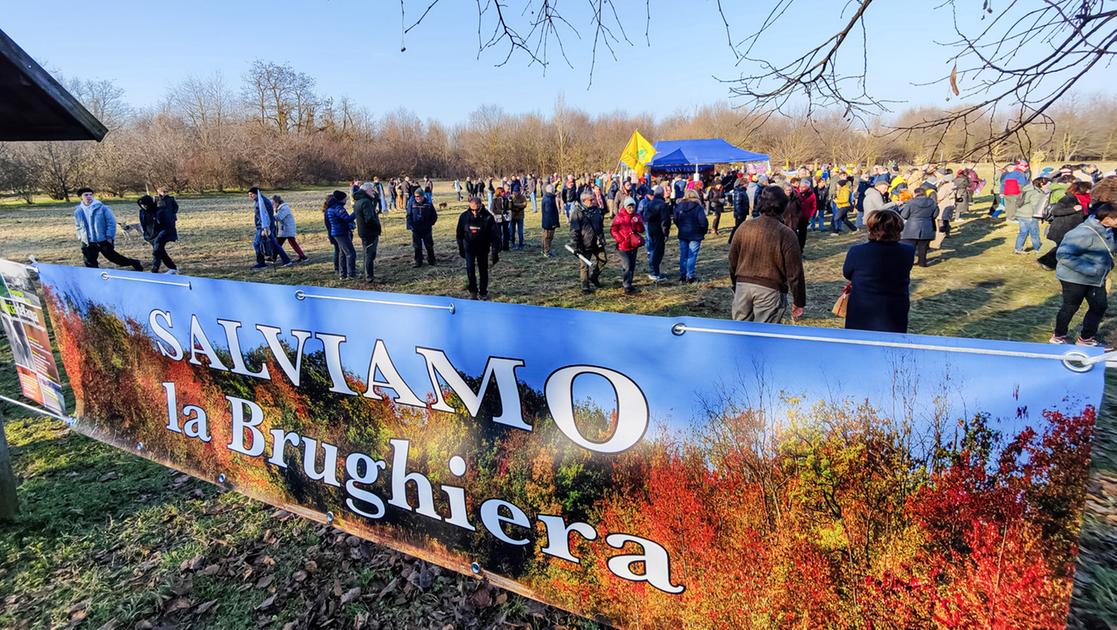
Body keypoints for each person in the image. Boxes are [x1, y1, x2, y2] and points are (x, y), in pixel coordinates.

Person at [727, 185, 805, 323]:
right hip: (768, 291)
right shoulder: (786, 233)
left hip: (744, 287)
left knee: (741, 334)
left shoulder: (744, 227)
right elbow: (795, 273)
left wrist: (736, 284)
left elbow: (732, 260)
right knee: (762, 338)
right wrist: (799, 301)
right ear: (784, 207)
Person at [1051, 202, 1117, 346]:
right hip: (1074, 278)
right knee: (1071, 306)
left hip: (1096, 278)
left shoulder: (1108, 230)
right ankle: (1059, 336)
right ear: (1107, 218)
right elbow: (1063, 255)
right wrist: (1091, 269)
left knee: (1099, 306)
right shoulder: (1083, 233)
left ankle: (1086, 339)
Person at [842, 210, 915, 333]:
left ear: (871, 228)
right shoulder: (908, 251)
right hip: (895, 306)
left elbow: (847, 273)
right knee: (890, 344)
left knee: (859, 342)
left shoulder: (857, 251)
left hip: (863, 306)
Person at [1037, 181, 1088, 271]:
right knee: (1059, 246)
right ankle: (1046, 262)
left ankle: (1066, 264)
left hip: (1074, 227)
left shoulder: (1084, 199)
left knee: (1069, 247)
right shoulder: (1067, 199)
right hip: (1062, 227)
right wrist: (1073, 209)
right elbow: (1055, 212)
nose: (1088, 191)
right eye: (1087, 189)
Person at [457, 197, 500, 300]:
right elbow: (459, 234)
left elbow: (494, 236)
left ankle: (483, 292)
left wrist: (495, 252)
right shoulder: (464, 217)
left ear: (481, 205)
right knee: (470, 269)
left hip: (483, 248)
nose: (475, 212)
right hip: (469, 248)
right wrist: (461, 248)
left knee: (483, 270)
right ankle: (473, 291)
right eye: (472, 210)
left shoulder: (488, 217)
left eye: (477, 209)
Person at [569, 190, 607, 293]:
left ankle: (594, 277)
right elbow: (574, 231)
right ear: (584, 200)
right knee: (584, 266)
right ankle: (585, 286)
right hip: (584, 244)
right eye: (591, 199)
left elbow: (600, 226)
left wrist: (602, 238)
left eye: (594, 199)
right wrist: (576, 245)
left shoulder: (597, 211)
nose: (594, 201)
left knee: (603, 260)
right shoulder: (577, 212)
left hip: (597, 242)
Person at [248, 187, 293, 269]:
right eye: (249, 195)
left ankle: (261, 263)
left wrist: (264, 228)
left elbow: (265, 216)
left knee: (257, 244)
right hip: (267, 226)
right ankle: (286, 260)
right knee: (275, 244)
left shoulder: (261, 202)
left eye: (251, 194)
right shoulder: (261, 200)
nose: (250, 196)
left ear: (256, 193)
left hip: (264, 227)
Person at [610, 196, 645, 294]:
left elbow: (641, 230)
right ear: (625, 207)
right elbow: (613, 230)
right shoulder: (619, 217)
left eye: (633, 207)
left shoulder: (637, 216)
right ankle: (626, 285)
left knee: (632, 265)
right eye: (629, 207)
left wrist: (638, 223)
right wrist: (620, 239)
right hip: (623, 246)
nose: (631, 209)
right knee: (627, 265)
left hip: (633, 244)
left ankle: (629, 283)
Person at [137, 195, 178, 274]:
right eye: (142, 205)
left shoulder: (160, 211)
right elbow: (143, 225)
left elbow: (168, 224)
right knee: (161, 251)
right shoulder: (142, 212)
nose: (144, 207)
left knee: (156, 251)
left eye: (145, 205)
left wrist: (160, 236)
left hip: (163, 232)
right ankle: (173, 268)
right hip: (151, 235)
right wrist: (146, 235)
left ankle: (154, 270)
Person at [899, 186, 939, 267]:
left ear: (915, 193)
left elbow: (904, 215)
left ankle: (909, 262)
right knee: (923, 247)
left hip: (912, 227)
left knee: (910, 247)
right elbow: (935, 214)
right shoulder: (932, 202)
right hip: (927, 226)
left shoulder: (911, 202)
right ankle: (922, 262)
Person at [674, 188, 708, 283]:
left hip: (683, 233)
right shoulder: (698, 208)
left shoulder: (679, 206)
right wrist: (703, 231)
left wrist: (680, 227)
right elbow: (703, 222)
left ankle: (683, 275)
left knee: (683, 255)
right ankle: (690, 276)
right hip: (695, 234)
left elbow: (676, 219)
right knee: (692, 255)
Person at [353, 182, 383, 282]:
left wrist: (374, 199)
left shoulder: (359, 200)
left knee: (367, 253)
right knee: (370, 254)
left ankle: (368, 274)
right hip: (369, 232)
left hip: (364, 232)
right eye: (372, 190)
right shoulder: (365, 202)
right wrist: (377, 226)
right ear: (367, 190)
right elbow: (369, 219)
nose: (373, 192)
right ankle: (369, 276)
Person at [1014, 176, 1051, 255]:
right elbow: (1036, 206)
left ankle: (1018, 249)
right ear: (1041, 184)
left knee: (1022, 232)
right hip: (1029, 215)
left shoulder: (1027, 188)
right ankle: (1038, 249)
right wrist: (1041, 216)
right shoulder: (1035, 193)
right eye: (1047, 184)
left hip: (1021, 213)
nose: (1048, 186)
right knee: (1034, 233)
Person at [324, 191, 357, 279]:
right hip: (341, 232)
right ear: (341, 199)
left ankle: (343, 274)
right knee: (351, 253)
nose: (346, 199)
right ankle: (351, 274)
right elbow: (347, 219)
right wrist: (356, 212)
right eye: (345, 198)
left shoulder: (331, 207)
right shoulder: (338, 208)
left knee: (342, 253)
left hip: (337, 232)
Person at [406, 188, 438, 267]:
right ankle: (418, 261)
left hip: (426, 229)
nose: (417, 198)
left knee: (429, 245)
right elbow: (408, 216)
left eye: (419, 196)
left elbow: (434, 216)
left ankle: (431, 260)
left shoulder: (429, 204)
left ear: (423, 196)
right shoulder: (412, 204)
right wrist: (410, 226)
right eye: (416, 196)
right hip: (416, 229)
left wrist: (430, 224)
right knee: (417, 246)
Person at [272, 195, 307, 262]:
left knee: (278, 244)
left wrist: (270, 215)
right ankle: (303, 256)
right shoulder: (279, 208)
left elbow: (279, 217)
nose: (273, 205)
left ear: (277, 202)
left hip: (286, 229)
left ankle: (273, 257)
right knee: (287, 243)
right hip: (285, 229)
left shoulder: (284, 208)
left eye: (273, 203)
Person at [541, 184, 560, 257]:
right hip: (549, 222)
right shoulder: (548, 200)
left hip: (547, 222)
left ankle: (544, 250)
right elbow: (549, 213)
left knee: (546, 237)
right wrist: (553, 223)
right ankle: (547, 251)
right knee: (548, 237)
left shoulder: (548, 197)